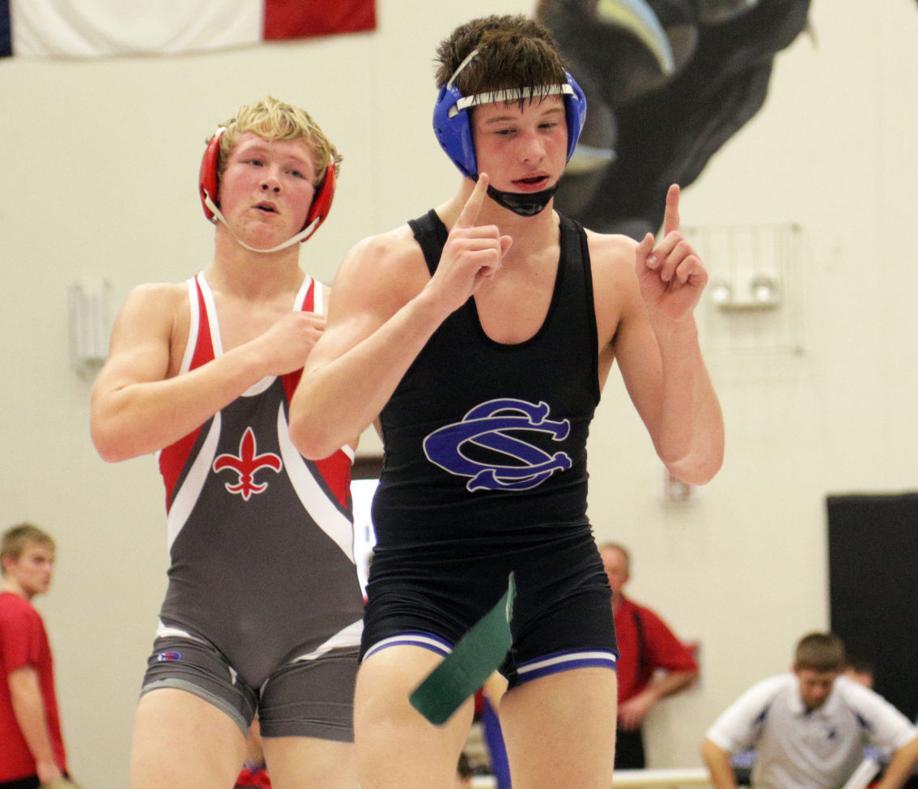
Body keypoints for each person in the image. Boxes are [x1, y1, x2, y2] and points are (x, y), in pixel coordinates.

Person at [288, 13, 724, 788]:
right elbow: (317, 428)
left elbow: (693, 456)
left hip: (550, 590)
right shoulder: (391, 264)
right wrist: (433, 301)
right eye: (506, 130)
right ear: (461, 141)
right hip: (431, 594)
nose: (534, 152)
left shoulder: (616, 268)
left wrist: (676, 326)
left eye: (551, 125)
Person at [89, 96, 362, 789]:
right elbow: (113, 430)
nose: (272, 180)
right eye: (254, 161)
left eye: (295, 171)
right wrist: (257, 356)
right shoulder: (166, 308)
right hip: (201, 626)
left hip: (326, 634)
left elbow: (422, 446)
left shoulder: (344, 319)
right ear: (215, 177)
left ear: (316, 202)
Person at [701, 632, 918, 789]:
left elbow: (911, 745)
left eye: (826, 684)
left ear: (839, 673)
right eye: (811, 683)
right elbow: (713, 748)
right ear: (794, 670)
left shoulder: (855, 699)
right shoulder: (768, 696)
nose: (818, 692)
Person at [600, 541, 699, 769]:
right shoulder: (570, 617)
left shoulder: (640, 620)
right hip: (576, 725)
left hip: (622, 731)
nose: (605, 577)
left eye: (614, 571)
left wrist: (648, 697)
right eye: (600, 568)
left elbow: (687, 670)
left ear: (626, 578)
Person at [0, 524, 69, 789]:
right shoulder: (20, 614)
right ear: (10, 562)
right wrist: (45, 761)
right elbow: (23, 688)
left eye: (51, 562)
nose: (48, 570)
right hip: (23, 765)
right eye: (37, 560)